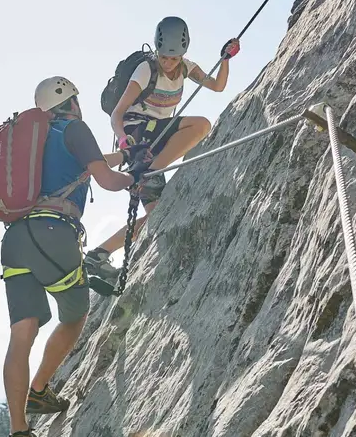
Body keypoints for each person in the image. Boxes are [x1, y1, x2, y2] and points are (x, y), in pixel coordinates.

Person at [1, 76, 139, 437]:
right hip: (54, 234)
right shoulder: (74, 128)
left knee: (21, 335)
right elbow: (106, 180)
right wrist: (134, 176)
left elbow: (89, 164)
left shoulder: (33, 140)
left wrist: (123, 157)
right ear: (73, 101)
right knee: (76, 315)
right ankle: (39, 390)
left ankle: (19, 433)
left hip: (16, 240)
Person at [83, 16, 240, 282]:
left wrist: (225, 59)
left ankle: (98, 254)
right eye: (164, 57)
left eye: (173, 58)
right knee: (201, 125)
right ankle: (148, 171)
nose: (167, 63)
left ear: (182, 54)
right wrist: (123, 139)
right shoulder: (146, 70)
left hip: (155, 139)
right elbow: (117, 114)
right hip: (138, 132)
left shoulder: (187, 68)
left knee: (157, 216)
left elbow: (217, 86)